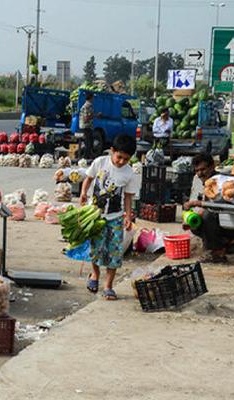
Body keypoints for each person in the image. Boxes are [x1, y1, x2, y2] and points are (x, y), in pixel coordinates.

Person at [76, 135, 139, 300]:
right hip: (96, 214)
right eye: (119, 157)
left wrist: (128, 215)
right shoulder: (100, 162)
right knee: (96, 248)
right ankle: (95, 275)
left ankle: (108, 285)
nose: (121, 161)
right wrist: (83, 193)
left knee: (115, 252)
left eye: (125, 159)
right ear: (112, 151)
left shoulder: (129, 173)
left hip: (116, 217)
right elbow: (88, 179)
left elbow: (128, 197)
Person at [183, 154, 234, 263]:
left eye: (203, 169)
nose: (200, 173)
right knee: (195, 224)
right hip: (228, 222)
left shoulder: (219, 182)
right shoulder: (208, 182)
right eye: (197, 171)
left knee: (207, 216)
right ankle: (225, 242)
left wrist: (195, 203)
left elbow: (213, 206)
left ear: (212, 167)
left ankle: (217, 253)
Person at [78, 92, 95, 159]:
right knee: (88, 143)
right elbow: (86, 118)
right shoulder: (88, 106)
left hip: (85, 126)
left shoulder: (86, 105)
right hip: (86, 126)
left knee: (89, 142)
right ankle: (85, 157)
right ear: (91, 98)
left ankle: (87, 156)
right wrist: (95, 115)